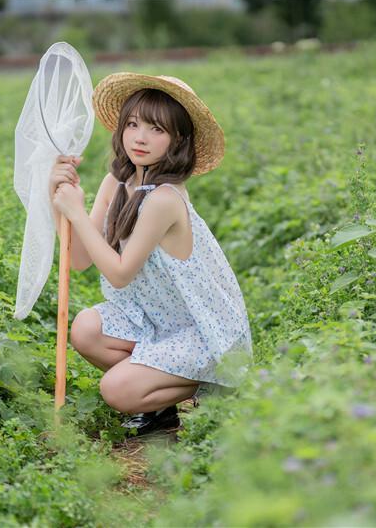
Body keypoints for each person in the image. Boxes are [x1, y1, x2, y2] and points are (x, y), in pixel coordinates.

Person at [49, 73, 253, 436]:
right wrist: (59, 202)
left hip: (199, 330)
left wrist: (77, 213)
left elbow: (120, 274)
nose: (140, 138)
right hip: (156, 321)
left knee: (116, 388)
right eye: (132, 124)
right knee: (84, 328)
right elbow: (79, 259)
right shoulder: (118, 182)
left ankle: (219, 385)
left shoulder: (164, 199)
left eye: (157, 130)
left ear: (178, 140)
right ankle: (160, 409)